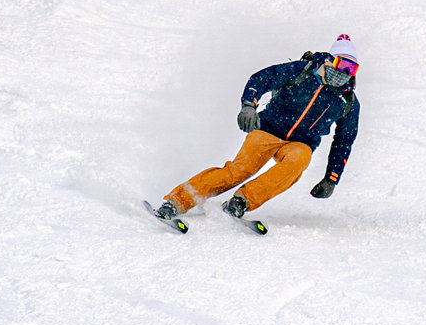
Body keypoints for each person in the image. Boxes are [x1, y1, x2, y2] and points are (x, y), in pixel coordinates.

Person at [153, 34, 362, 221]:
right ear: (329, 59)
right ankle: (177, 202)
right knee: (239, 171)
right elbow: (261, 79)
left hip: (300, 143)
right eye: (341, 64)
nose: (344, 72)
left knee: (299, 160)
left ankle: (242, 201)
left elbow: (344, 141)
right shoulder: (302, 71)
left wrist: (331, 178)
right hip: (267, 130)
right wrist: (249, 106)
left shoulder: (347, 102)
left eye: (352, 69)